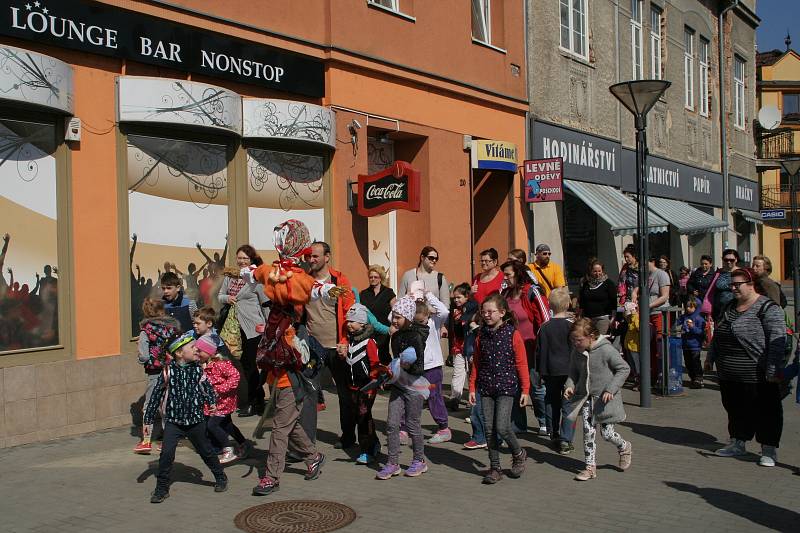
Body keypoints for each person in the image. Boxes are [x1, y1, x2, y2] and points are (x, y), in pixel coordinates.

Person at [705, 267, 786, 467]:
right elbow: (718, 335)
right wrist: (710, 358)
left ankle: (768, 449)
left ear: (751, 284)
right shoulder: (729, 306)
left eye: (737, 284)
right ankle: (738, 442)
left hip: (757, 373)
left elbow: (777, 340)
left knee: (766, 411)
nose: (733, 288)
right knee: (735, 409)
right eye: (731, 284)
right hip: (729, 372)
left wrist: (773, 369)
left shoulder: (767, 308)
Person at [143, 333, 227, 503]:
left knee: (206, 451)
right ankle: (161, 489)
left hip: (195, 421)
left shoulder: (197, 370)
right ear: (179, 353)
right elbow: (156, 394)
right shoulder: (168, 371)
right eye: (192, 347)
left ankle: (220, 477)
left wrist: (211, 402)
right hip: (174, 422)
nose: (197, 349)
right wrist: (149, 417)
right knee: (166, 454)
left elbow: (207, 388)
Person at [468, 293, 531, 484]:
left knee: (502, 427)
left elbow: (522, 363)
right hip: (486, 388)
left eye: (490, 311)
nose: (486, 315)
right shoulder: (481, 335)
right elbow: (476, 364)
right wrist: (472, 387)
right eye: (483, 311)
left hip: (506, 388)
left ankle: (519, 454)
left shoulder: (513, 333)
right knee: (489, 430)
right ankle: (495, 468)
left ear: (502, 313)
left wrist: (525, 390)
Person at [564, 318, 632, 481]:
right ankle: (590, 467)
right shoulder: (577, 352)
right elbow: (573, 372)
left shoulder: (606, 350)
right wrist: (569, 385)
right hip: (587, 399)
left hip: (605, 401)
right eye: (573, 340)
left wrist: (611, 389)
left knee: (607, 434)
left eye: (579, 340)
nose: (575, 343)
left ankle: (624, 446)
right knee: (588, 433)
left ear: (591, 336)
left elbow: (623, 368)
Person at [305, 241, 356, 448]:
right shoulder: (305, 280)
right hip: (311, 346)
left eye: (316, 256)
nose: (311, 260)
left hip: (337, 346)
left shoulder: (339, 279)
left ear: (327, 257)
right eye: (310, 256)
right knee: (308, 393)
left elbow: (350, 308)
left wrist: (345, 341)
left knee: (344, 393)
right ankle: (306, 439)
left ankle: (348, 436)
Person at [377, 296, 428, 479]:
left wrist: (408, 365)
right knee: (391, 424)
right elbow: (396, 359)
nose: (394, 320)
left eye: (398, 317)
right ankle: (392, 462)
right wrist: (391, 371)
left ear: (407, 316)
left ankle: (419, 460)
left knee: (413, 424)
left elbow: (419, 365)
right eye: (394, 317)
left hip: (414, 386)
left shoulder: (416, 336)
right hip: (398, 385)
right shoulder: (396, 336)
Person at [500, 260, 549, 435]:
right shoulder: (504, 293)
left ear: (518, 274)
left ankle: (545, 422)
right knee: (514, 385)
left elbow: (546, 320)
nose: (505, 278)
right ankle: (518, 425)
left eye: (508, 275)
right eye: (504, 275)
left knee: (535, 386)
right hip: (510, 348)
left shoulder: (532, 292)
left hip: (531, 347)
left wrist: (545, 346)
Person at [218, 245, 267, 417]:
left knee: (250, 365)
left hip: (253, 328)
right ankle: (254, 399)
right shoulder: (230, 276)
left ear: (252, 259)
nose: (242, 261)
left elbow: (265, 303)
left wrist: (269, 327)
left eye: (245, 258)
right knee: (243, 365)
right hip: (233, 327)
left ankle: (256, 402)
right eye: (239, 258)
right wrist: (228, 298)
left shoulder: (256, 278)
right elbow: (220, 295)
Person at [134, 298, 180, 454]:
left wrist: (140, 357)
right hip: (171, 369)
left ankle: (146, 441)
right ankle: (168, 439)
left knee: (150, 405)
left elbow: (144, 357)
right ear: (162, 310)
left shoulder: (145, 331)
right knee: (167, 404)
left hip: (154, 371)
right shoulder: (172, 328)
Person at [408, 281, 452, 444]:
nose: (421, 322)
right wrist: (408, 297)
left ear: (428, 314)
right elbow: (392, 316)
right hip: (416, 369)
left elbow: (444, 311)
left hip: (432, 369)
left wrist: (427, 294)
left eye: (423, 319)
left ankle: (443, 428)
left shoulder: (434, 322)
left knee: (434, 397)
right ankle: (406, 429)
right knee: (414, 398)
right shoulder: (409, 323)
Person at [195, 335, 249, 464]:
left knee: (212, 425)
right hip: (214, 402)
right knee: (227, 425)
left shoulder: (220, 364)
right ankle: (243, 444)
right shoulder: (204, 365)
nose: (197, 353)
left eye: (200, 350)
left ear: (209, 352)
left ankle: (227, 449)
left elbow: (235, 376)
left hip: (224, 402)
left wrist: (221, 389)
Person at [339, 303, 381, 465]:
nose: (349, 324)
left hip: (366, 388)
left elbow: (375, 364)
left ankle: (368, 451)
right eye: (348, 321)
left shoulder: (369, 342)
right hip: (353, 387)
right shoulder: (351, 340)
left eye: (352, 321)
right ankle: (374, 443)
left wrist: (372, 383)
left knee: (363, 418)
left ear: (362, 323)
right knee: (360, 417)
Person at [535, 288, 574, 454]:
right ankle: (566, 439)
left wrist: (540, 373)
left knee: (551, 401)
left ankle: (553, 432)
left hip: (550, 370)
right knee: (568, 405)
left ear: (550, 305)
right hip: (569, 371)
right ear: (568, 304)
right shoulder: (572, 327)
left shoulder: (544, 327)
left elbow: (539, 352)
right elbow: (576, 350)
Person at [449, 283, 478, 411]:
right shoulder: (454, 309)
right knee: (458, 372)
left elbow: (473, 305)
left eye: (459, 297)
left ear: (467, 297)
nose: (456, 300)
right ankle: (455, 397)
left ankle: (473, 399)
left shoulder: (471, 307)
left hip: (469, 345)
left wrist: (471, 294)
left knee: (471, 372)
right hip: (457, 346)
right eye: (454, 298)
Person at [359, 265, 396, 363]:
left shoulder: (388, 292)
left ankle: (386, 373)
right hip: (368, 331)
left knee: (383, 354)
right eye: (371, 277)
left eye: (375, 277)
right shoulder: (363, 293)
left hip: (384, 329)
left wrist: (394, 326)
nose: (373, 279)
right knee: (369, 355)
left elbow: (395, 310)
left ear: (380, 278)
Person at [646, 256, 671, 384]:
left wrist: (648, 305)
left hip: (660, 313)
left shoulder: (662, 274)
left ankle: (663, 375)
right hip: (648, 315)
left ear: (652, 261)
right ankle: (654, 375)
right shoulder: (646, 275)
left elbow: (665, 296)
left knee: (660, 344)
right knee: (650, 346)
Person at [578, 260, 617, 335]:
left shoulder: (609, 284)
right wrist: (579, 316)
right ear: (591, 272)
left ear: (603, 271)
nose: (597, 273)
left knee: (599, 340)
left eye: (599, 271)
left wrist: (613, 317)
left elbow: (613, 302)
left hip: (602, 318)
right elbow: (582, 302)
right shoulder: (586, 284)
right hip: (588, 319)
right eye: (595, 271)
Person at [676, 298, 705, 389]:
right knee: (688, 363)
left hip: (695, 345)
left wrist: (692, 327)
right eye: (686, 306)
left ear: (696, 307)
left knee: (695, 362)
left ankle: (698, 379)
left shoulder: (699, 319)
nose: (688, 308)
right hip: (685, 344)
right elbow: (677, 322)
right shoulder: (684, 317)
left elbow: (701, 332)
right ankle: (693, 378)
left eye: (690, 307)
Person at [708, 249, 740, 323]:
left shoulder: (741, 273)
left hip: (735, 310)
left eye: (731, 260)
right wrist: (709, 312)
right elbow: (711, 291)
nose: (728, 262)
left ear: (736, 260)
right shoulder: (718, 272)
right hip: (718, 311)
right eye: (726, 260)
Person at [623, 301, 641, 389]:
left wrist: (634, 315)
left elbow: (638, 327)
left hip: (635, 347)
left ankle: (639, 382)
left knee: (637, 366)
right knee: (632, 365)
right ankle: (636, 380)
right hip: (629, 346)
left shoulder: (636, 318)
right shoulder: (629, 320)